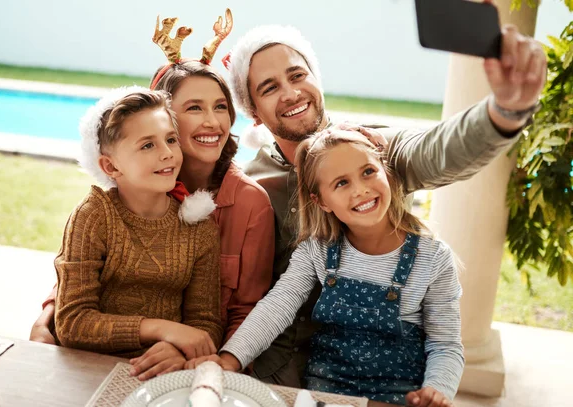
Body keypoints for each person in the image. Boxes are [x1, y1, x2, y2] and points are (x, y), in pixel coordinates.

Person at [221, 18, 546, 387]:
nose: (291, 93)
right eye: (270, 87)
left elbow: (440, 150)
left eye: (298, 75)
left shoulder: (371, 150)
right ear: (254, 113)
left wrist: (503, 112)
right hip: (277, 371)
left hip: (383, 378)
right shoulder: (254, 183)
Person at [30, 9, 275, 381]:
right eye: (194, 108)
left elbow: (226, 316)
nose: (212, 121)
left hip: (184, 365)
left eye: (221, 107)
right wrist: (46, 317)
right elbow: (77, 294)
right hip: (91, 359)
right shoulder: (104, 207)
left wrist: (191, 352)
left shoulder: (223, 214)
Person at [192, 128, 464, 406]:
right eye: (341, 183)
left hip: (399, 398)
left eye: (368, 171)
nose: (361, 189)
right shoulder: (317, 250)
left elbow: (446, 344)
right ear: (321, 201)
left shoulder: (433, 258)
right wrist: (230, 359)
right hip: (326, 395)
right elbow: (277, 306)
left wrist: (436, 390)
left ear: (385, 171)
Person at [53, 87, 223, 359]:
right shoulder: (94, 217)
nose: (168, 153)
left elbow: (206, 322)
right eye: (147, 145)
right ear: (111, 167)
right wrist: (160, 330)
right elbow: (71, 322)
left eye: (170, 139)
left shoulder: (199, 228)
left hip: (163, 370)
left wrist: (175, 349)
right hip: (91, 365)